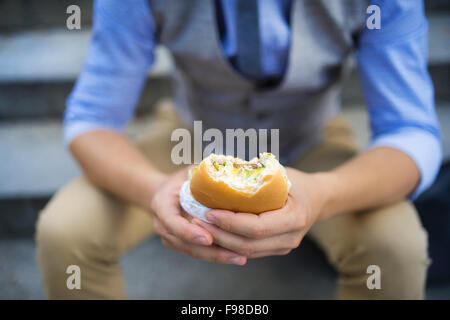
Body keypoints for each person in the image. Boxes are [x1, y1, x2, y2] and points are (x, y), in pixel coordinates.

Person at [36, 0, 441, 299]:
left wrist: (324, 194)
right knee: (65, 231)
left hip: (310, 139)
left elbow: (410, 131)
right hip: (189, 136)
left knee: (395, 248)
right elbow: (93, 118)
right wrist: (154, 189)